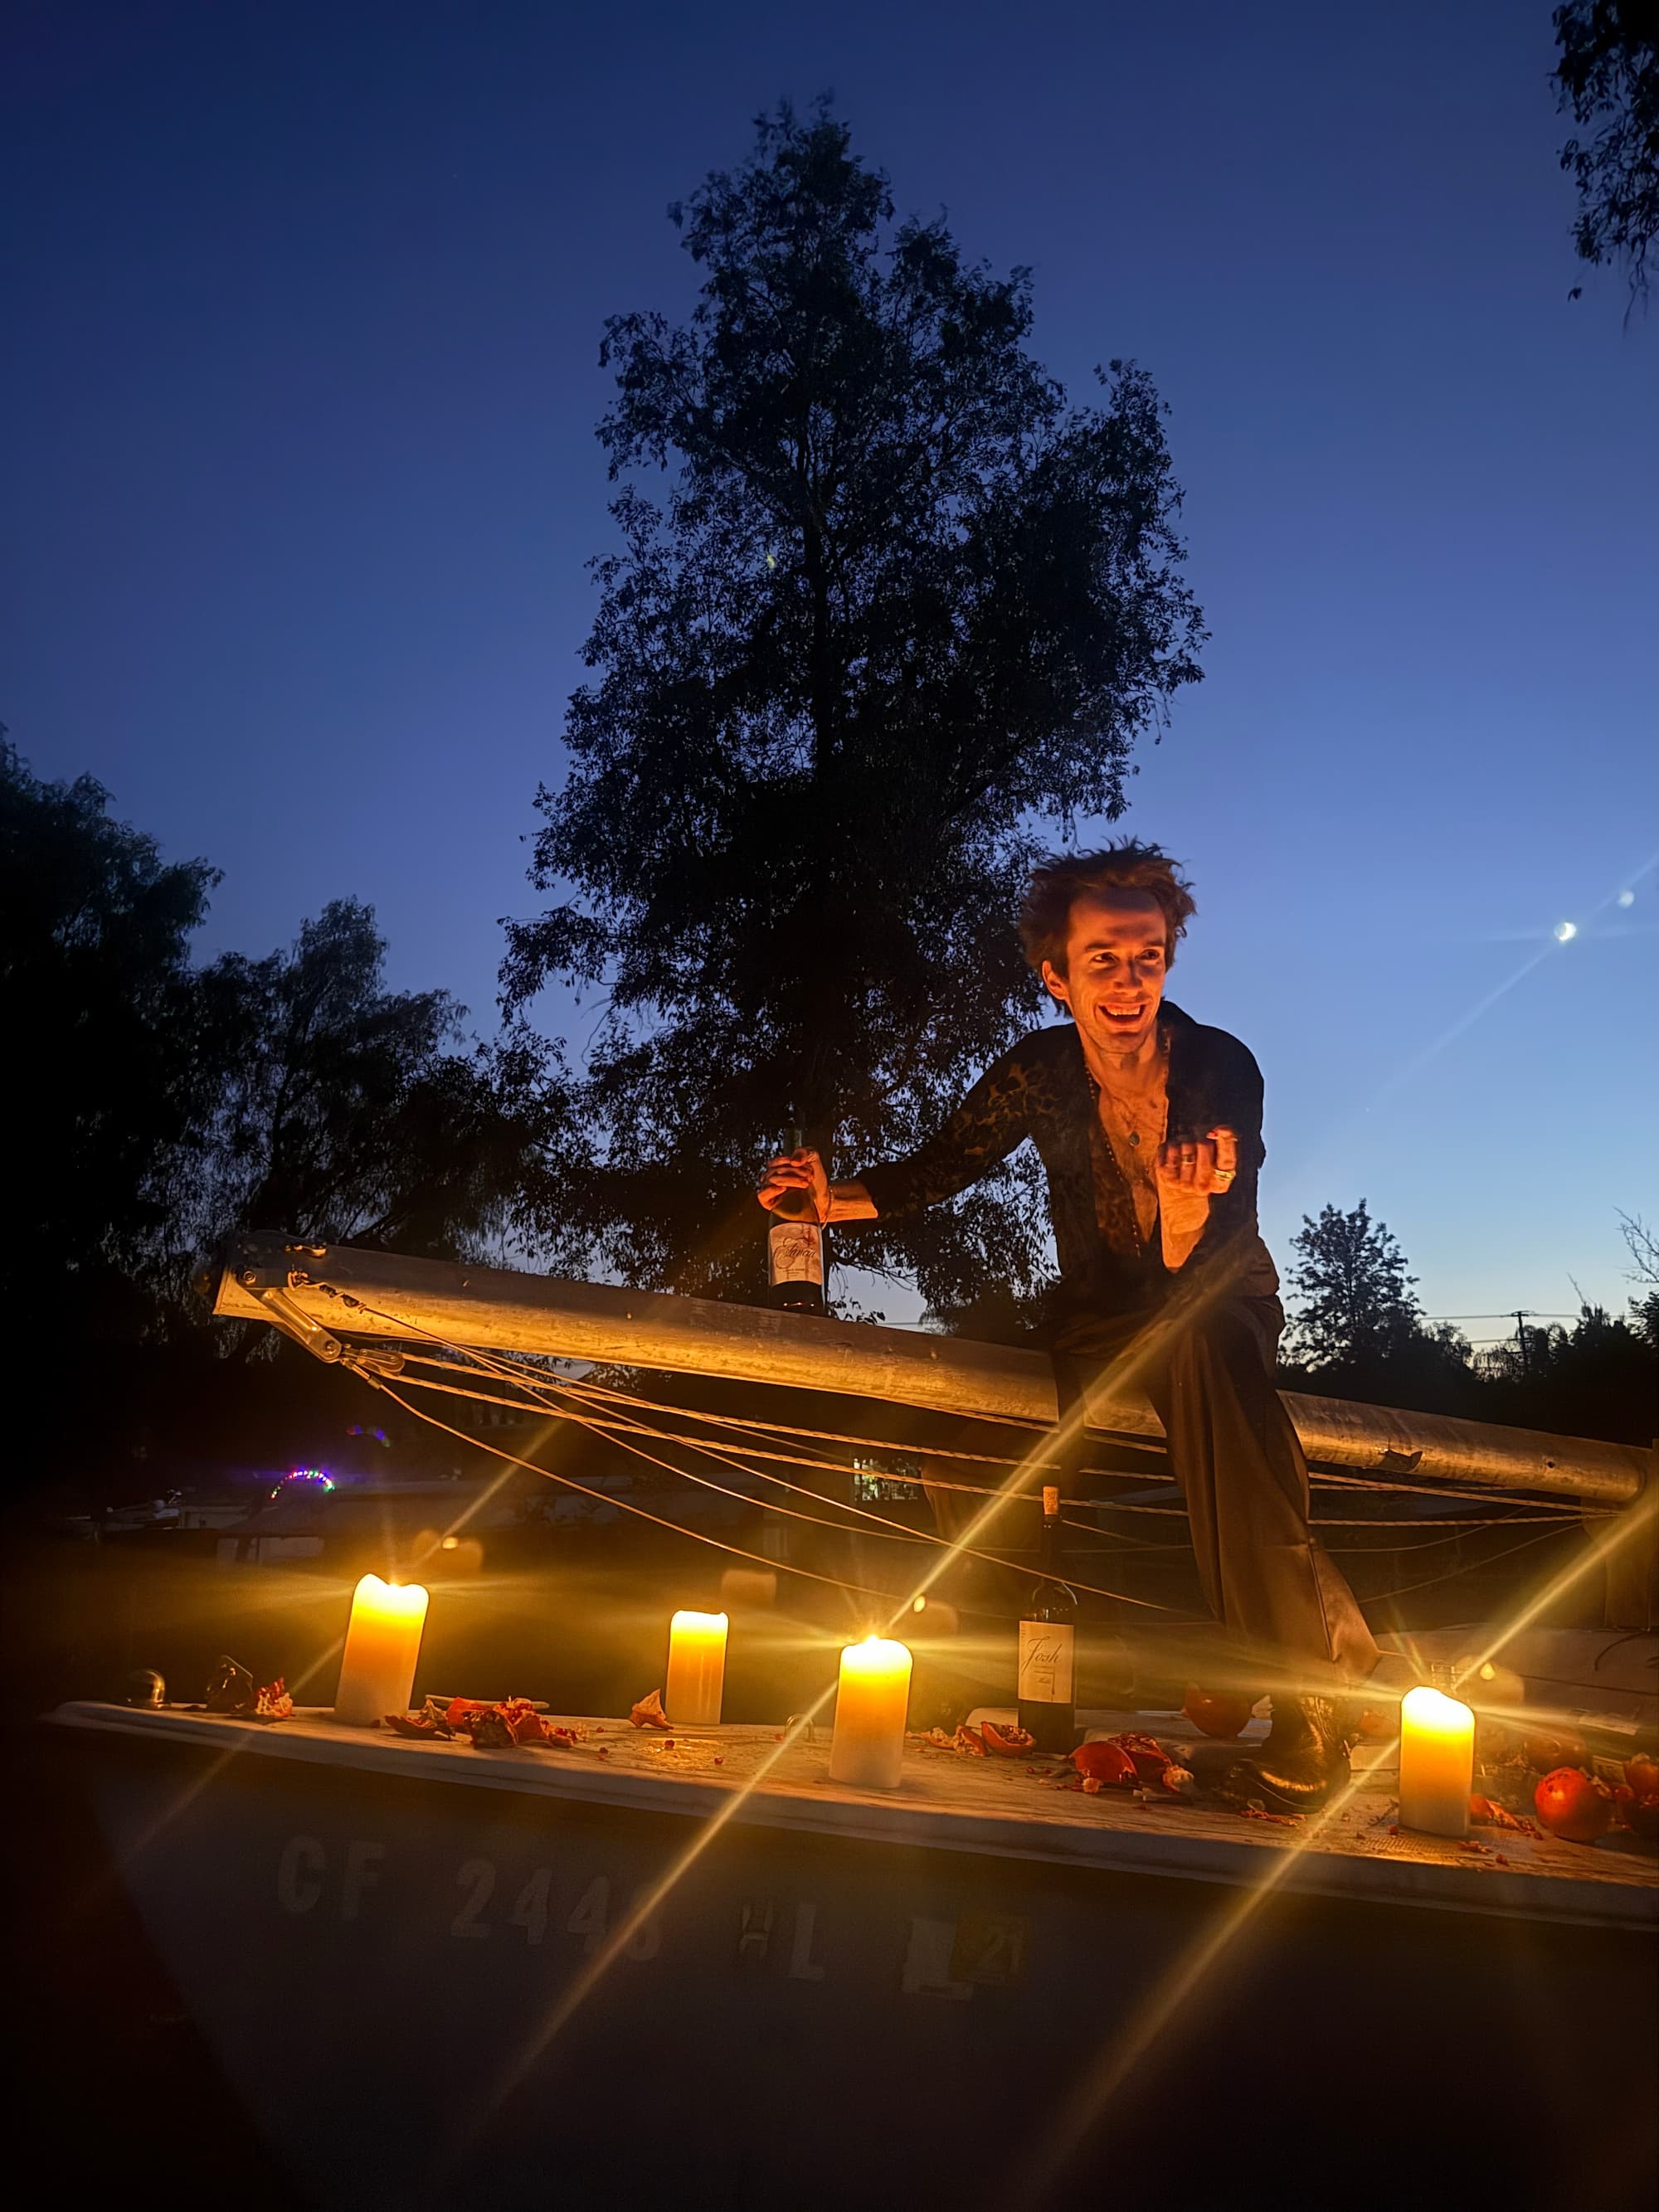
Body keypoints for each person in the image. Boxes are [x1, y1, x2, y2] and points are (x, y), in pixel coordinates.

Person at [757, 840, 1391, 1811]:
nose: (1128, 980)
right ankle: (975, 1657)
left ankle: (1310, 1705)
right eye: (1102, 959)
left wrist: (1183, 1217)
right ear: (1056, 977)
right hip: (1097, 1314)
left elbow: (1216, 1242)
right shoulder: (1039, 1069)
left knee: (1200, 1353)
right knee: (969, 1430)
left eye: (1145, 956)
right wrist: (819, 1205)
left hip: (1215, 1298)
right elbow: (939, 1166)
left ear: (1166, 964)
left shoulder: (1220, 1067)